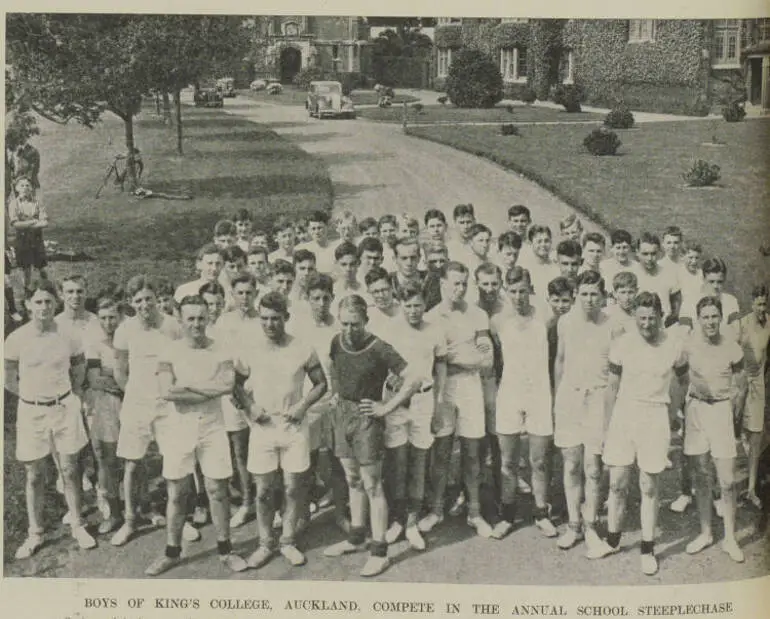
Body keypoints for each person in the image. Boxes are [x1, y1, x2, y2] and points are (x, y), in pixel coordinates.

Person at [145, 294, 247, 576]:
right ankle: (171, 552)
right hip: (179, 429)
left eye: (201, 318)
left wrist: (188, 387)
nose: (196, 324)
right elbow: (168, 392)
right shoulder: (169, 352)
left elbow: (227, 386)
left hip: (214, 427)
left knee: (217, 490)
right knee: (178, 493)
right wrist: (207, 388)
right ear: (180, 318)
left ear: (208, 318)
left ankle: (226, 550)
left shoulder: (222, 348)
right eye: (190, 318)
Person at [322, 294, 421, 577]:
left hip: (367, 419)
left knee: (372, 485)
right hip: (342, 414)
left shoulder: (380, 347)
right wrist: (334, 394)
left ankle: (380, 551)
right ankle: (356, 538)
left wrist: (386, 406)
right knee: (353, 480)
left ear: (366, 320)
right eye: (344, 324)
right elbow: (333, 366)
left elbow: (414, 377)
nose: (349, 330)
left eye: (355, 324)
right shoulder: (335, 341)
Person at [594, 292, 688, 575]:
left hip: (655, 416)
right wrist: (608, 427)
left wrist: (671, 414)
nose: (647, 324)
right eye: (641, 318)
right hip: (624, 415)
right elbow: (611, 388)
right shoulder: (622, 344)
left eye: (651, 318)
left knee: (649, 485)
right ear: (634, 317)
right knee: (617, 483)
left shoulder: (674, 345)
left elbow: (682, 382)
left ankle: (648, 548)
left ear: (660, 316)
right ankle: (612, 540)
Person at [5, 280, 95, 559]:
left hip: (64, 408)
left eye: (48, 302)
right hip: (32, 412)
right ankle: (35, 532)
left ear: (55, 304)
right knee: (34, 475)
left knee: (69, 470)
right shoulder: (16, 339)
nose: (44, 307)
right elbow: (8, 379)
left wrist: (74, 395)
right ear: (28, 305)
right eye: (38, 302)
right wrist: (33, 398)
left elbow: (79, 368)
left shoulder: (68, 335)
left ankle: (78, 524)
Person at [419, 261, 495, 538]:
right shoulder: (429, 317)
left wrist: (453, 356)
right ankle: (437, 510)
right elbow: (431, 360)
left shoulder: (476, 315)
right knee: (441, 451)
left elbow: (486, 360)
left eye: (464, 283)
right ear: (442, 284)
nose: (459, 289)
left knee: (473, 452)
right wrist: (466, 357)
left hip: (471, 388)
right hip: (442, 388)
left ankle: (475, 513)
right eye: (454, 283)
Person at [110, 275, 182, 547]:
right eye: (138, 300)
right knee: (132, 462)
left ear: (156, 298)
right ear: (131, 303)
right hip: (137, 403)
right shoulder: (125, 330)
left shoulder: (173, 325)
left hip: (168, 404)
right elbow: (119, 369)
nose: (144, 305)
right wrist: (134, 392)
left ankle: (179, 520)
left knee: (174, 463)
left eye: (148, 299)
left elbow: (183, 360)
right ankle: (130, 521)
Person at [680, 296, 747, 563]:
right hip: (696, 410)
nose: (710, 321)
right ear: (699, 319)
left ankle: (730, 538)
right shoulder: (689, 344)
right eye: (705, 317)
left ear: (721, 317)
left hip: (721, 410)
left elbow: (741, 384)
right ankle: (706, 532)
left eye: (714, 316)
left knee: (728, 480)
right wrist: (686, 400)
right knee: (701, 474)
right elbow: (679, 373)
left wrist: (734, 414)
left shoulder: (732, 347)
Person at [493, 267, 556, 538]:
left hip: (539, 394)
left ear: (530, 289)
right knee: (508, 461)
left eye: (522, 290)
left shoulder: (546, 316)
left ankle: (542, 512)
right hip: (510, 393)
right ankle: (507, 515)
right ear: (505, 291)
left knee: (538, 461)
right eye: (513, 291)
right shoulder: (497, 321)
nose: (518, 296)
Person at [553, 270, 613, 554]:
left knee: (592, 467)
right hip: (569, 398)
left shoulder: (613, 325)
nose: (589, 299)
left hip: (598, 399)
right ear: (576, 294)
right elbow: (560, 360)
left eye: (595, 294)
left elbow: (616, 371)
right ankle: (573, 524)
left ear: (603, 296)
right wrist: (557, 398)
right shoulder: (565, 322)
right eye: (585, 293)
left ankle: (590, 525)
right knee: (572, 465)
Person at [382, 283, 446, 550]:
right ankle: (397, 519)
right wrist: (393, 384)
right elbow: (383, 364)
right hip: (396, 401)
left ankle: (411, 522)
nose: (413, 310)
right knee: (398, 463)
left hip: (424, 399)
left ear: (425, 305)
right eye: (407, 305)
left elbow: (441, 365)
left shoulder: (435, 330)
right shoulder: (390, 329)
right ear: (401, 304)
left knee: (419, 462)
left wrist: (439, 402)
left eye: (417, 305)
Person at [297, 273, 349, 532]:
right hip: (308, 403)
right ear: (307, 299)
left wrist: (339, 396)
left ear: (332, 298)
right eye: (315, 298)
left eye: (325, 298)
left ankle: (341, 514)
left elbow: (342, 365)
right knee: (307, 461)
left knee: (339, 461)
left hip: (335, 401)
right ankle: (303, 515)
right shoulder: (297, 327)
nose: (320, 303)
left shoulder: (339, 327)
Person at [215, 273, 260, 528]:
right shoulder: (224, 322)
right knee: (240, 449)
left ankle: (272, 501)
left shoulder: (262, 319)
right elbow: (223, 359)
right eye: (240, 293)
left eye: (249, 292)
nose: (245, 297)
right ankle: (247, 502)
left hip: (260, 390)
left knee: (264, 445)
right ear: (232, 295)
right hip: (233, 391)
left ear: (256, 293)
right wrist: (233, 389)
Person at [84, 296, 125, 535]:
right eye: (104, 318)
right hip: (105, 403)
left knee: (134, 457)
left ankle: (144, 507)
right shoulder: (94, 343)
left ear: (120, 317)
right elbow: (93, 379)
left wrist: (111, 375)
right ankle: (114, 512)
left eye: (112, 317)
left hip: (128, 401)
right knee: (107, 458)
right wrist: (118, 379)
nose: (108, 322)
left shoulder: (128, 338)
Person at [737, 285, 770, 509]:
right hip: (740, 382)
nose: (761, 308)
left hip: (758, 382)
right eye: (758, 303)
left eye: (764, 303)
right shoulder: (742, 324)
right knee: (736, 433)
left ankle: (750, 490)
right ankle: (722, 489)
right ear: (751, 303)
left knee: (756, 436)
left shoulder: (769, 322)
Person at [8, 176, 48, 291]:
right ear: (16, 188)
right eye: (22, 185)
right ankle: (27, 292)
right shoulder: (13, 204)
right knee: (26, 269)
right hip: (22, 240)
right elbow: (15, 224)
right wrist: (34, 221)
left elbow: (45, 222)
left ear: (31, 188)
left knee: (42, 268)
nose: (25, 188)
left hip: (37, 239)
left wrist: (27, 224)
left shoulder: (37, 202)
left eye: (27, 185)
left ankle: (48, 290)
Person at [633, 232, 681, 327]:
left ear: (659, 253)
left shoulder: (669, 274)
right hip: (637, 326)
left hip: (664, 326)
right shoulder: (631, 275)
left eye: (653, 254)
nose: (650, 258)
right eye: (645, 254)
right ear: (637, 252)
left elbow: (677, 307)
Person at [296, 210, 335, 274]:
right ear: (308, 230)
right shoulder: (302, 249)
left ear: (327, 227)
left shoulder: (335, 247)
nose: (317, 232)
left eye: (320, 228)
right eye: (313, 229)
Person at [600, 230, 636, 298]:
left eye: (625, 247)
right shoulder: (603, 266)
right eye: (618, 248)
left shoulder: (637, 267)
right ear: (611, 248)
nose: (621, 252)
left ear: (630, 248)